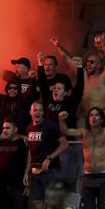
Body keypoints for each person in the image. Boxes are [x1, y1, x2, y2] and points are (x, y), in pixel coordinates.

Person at [60, 105, 105, 209]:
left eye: (97, 115)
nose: (94, 117)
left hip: (104, 176)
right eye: (91, 115)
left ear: (102, 119)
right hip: (88, 177)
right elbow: (65, 131)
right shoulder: (84, 133)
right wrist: (61, 120)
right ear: (88, 119)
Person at [36, 52, 85, 184]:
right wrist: (40, 65)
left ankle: (66, 201)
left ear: (66, 92)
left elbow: (79, 89)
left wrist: (80, 69)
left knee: (62, 180)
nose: (55, 90)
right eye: (54, 88)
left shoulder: (70, 103)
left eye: (59, 88)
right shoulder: (47, 100)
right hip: (49, 146)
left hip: (65, 146)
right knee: (48, 179)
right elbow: (42, 84)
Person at [51, 36, 105, 117]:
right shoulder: (84, 76)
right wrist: (59, 46)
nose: (89, 63)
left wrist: (104, 48)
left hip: (99, 117)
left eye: (92, 62)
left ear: (99, 65)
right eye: (87, 62)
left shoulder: (104, 77)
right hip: (83, 116)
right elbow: (69, 60)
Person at [25, 102, 69, 209]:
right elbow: (30, 152)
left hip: (51, 170)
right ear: (30, 113)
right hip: (35, 172)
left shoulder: (50, 125)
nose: (38, 112)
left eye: (40, 110)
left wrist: (49, 158)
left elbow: (65, 144)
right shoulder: (29, 128)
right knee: (37, 204)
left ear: (43, 112)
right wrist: (26, 172)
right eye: (35, 110)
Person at [0, 119, 28, 209]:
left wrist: (28, 184)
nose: (5, 130)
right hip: (1, 187)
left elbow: (29, 162)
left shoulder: (22, 143)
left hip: (18, 186)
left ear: (15, 129)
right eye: (3, 128)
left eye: (8, 128)